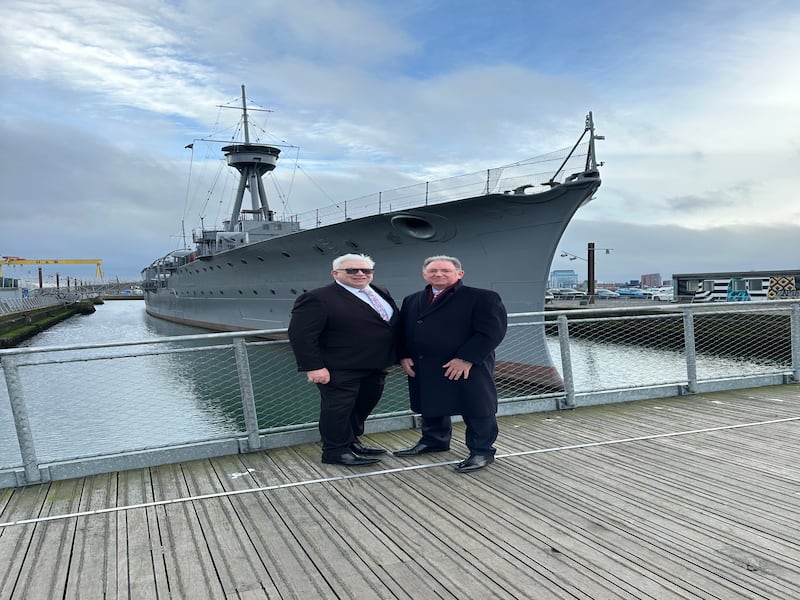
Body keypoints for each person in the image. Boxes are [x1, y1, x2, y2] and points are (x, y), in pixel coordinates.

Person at [393, 255, 507, 472]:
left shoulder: (482, 297)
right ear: (425, 274)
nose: (439, 274)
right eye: (433, 270)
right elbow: (403, 331)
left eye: (445, 270)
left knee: (477, 406)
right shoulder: (412, 299)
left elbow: (492, 332)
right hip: (425, 363)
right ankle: (434, 440)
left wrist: (466, 358)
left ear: (459, 274)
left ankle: (482, 451)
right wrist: (403, 355)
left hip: (467, 364)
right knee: (430, 402)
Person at [288, 253, 399, 467]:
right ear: (335, 273)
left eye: (365, 270)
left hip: (376, 365)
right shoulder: (317, 298)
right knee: (337, 410)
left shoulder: (380, 291)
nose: (360, 274)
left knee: (362, 406)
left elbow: (390, 325)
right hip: (338, 367)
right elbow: (301, 334)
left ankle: (351, 441)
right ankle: (334, 451)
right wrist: (314, 367)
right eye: (352, 270)